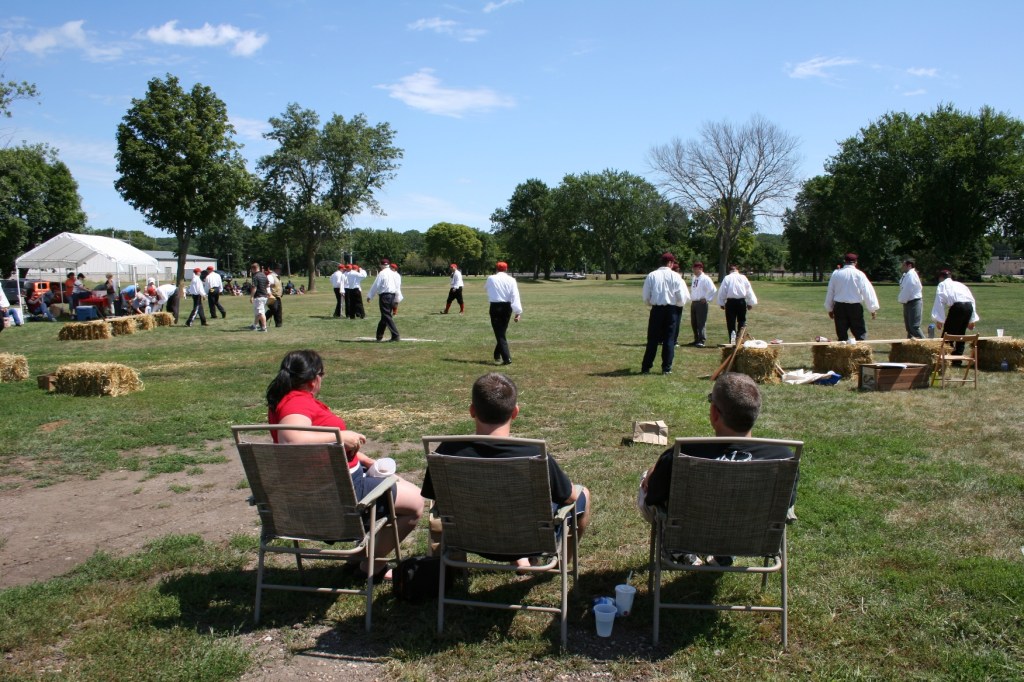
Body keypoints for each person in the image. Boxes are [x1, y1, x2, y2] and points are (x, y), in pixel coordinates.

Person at [267, 350, 425, 580]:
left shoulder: (285, 400)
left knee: (402, 484)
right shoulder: (296, 403)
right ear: (314, 379)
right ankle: (370, 567)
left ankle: (361, 556)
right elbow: (292, 440)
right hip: (338, 496)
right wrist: (342, 437)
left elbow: (314, 447)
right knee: (416, 504)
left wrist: (362, 459)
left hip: (314, 488)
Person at [420, 372, 591, 569]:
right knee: (583, 494)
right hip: (528, 543)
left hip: (470, 540)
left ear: (472, 411)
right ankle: (558, 566)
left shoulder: (447, 452)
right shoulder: (534, 456)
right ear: (515, 412)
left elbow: (437, 498)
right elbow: (569, 498)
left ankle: (518, 561)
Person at [637, 372, 798, 565]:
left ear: (714, 413)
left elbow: (654, 497)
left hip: (690, 534)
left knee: (647, 479)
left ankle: (681, 550)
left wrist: (653, 472)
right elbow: (786, 505)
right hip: (749, 537)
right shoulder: (784, 457)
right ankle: (726, 553)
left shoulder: (683, 454)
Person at [641, 253, 689, 375]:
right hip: (671, 310)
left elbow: (646, 296)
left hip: (657, 309)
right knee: (669, 339)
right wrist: (677, 305)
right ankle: (666, 368)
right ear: (670, 263)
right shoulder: (675, 276)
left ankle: (646, 367)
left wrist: (651, 303)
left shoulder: (652, 275)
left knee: (652, 339)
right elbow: (681, 297)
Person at [824, 252, 879, 341]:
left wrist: (829, 309)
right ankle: (861, 353)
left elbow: (830, 291)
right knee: (860, 333)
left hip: (840, 307)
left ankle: (842, 352)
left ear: (845, 261)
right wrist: (872, 308)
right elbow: (868, 292)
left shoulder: (836, 274)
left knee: (842, 335)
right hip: (855, 307)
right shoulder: (859, 274)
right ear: (856, 262)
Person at [932, 269, 979, 360]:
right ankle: (958, 358)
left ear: (941, 277)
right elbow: (971, 300)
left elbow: (939, 300)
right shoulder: (960, 284)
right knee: (961, 333)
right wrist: (972, 319)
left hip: (958, 307)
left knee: (948, 333)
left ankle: (946, 357)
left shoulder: (942, 284)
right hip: (968, 307)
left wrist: (939, 320)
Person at [485, 261, 523, 365]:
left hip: (495, 306)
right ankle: (497, 354)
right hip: (507, 307)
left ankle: (507, 358)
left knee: (499, 333)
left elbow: (487, 288)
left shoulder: (491, 278)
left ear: (496, 268)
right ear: (506, 269)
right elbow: (515, 295)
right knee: (501, 332)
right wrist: (517, 312)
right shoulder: (511, 280)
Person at [715, 263, 758, 342]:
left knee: (731, 322)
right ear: (737, 269)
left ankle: (733, 340)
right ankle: (740, 338)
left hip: (731, 302)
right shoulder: (743, 277)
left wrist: (721, 302)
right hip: (741, 301)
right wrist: (750, 302)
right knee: (742, 320)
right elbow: (748, 290)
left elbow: (723, 291)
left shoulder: (727, 278)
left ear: (729, 270)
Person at [366, 258, 402, 342]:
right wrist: (397, 297)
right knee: (384, 316)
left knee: (386, 316)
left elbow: (376, 285)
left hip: (385, 296)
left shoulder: (382, 273)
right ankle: (379, 335)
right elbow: (397, 286)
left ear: (381, 265)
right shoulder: (394, 274)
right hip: (392, 295)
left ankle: (395, 335)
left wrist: (370, 295)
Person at [688, 261, 716, 348]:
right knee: (694, 322)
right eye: (693, 268)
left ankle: (701, 340)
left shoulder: (705, 278)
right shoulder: (694, 278)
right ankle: (696, 339)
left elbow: (713, 289)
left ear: (700, 269)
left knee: (701, 322)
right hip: (694, 302)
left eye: (695, 268)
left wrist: (706, 298)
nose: (694, 270)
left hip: (701, 302)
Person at [897, 259, 923, 339]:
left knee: (914, 326)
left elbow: (908, 288)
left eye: (904, 265)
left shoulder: (911, 274)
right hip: (907, 302)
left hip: (914, 302)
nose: (902, 267)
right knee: (908, 327)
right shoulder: (907, 274)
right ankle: (910, 344)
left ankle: (925, 344)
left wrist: (902, 299)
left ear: (909, 265)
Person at [249, 262, 269, 332]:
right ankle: (254, 325)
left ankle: (264, 328)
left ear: (254, 269)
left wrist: (251, 296)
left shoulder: (255, 276)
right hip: (265, 296)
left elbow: (254, 288)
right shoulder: (263, 275)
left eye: (251, 270)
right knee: (258, 312)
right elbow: (267, 284)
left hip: (259, 296)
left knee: (260, 313)